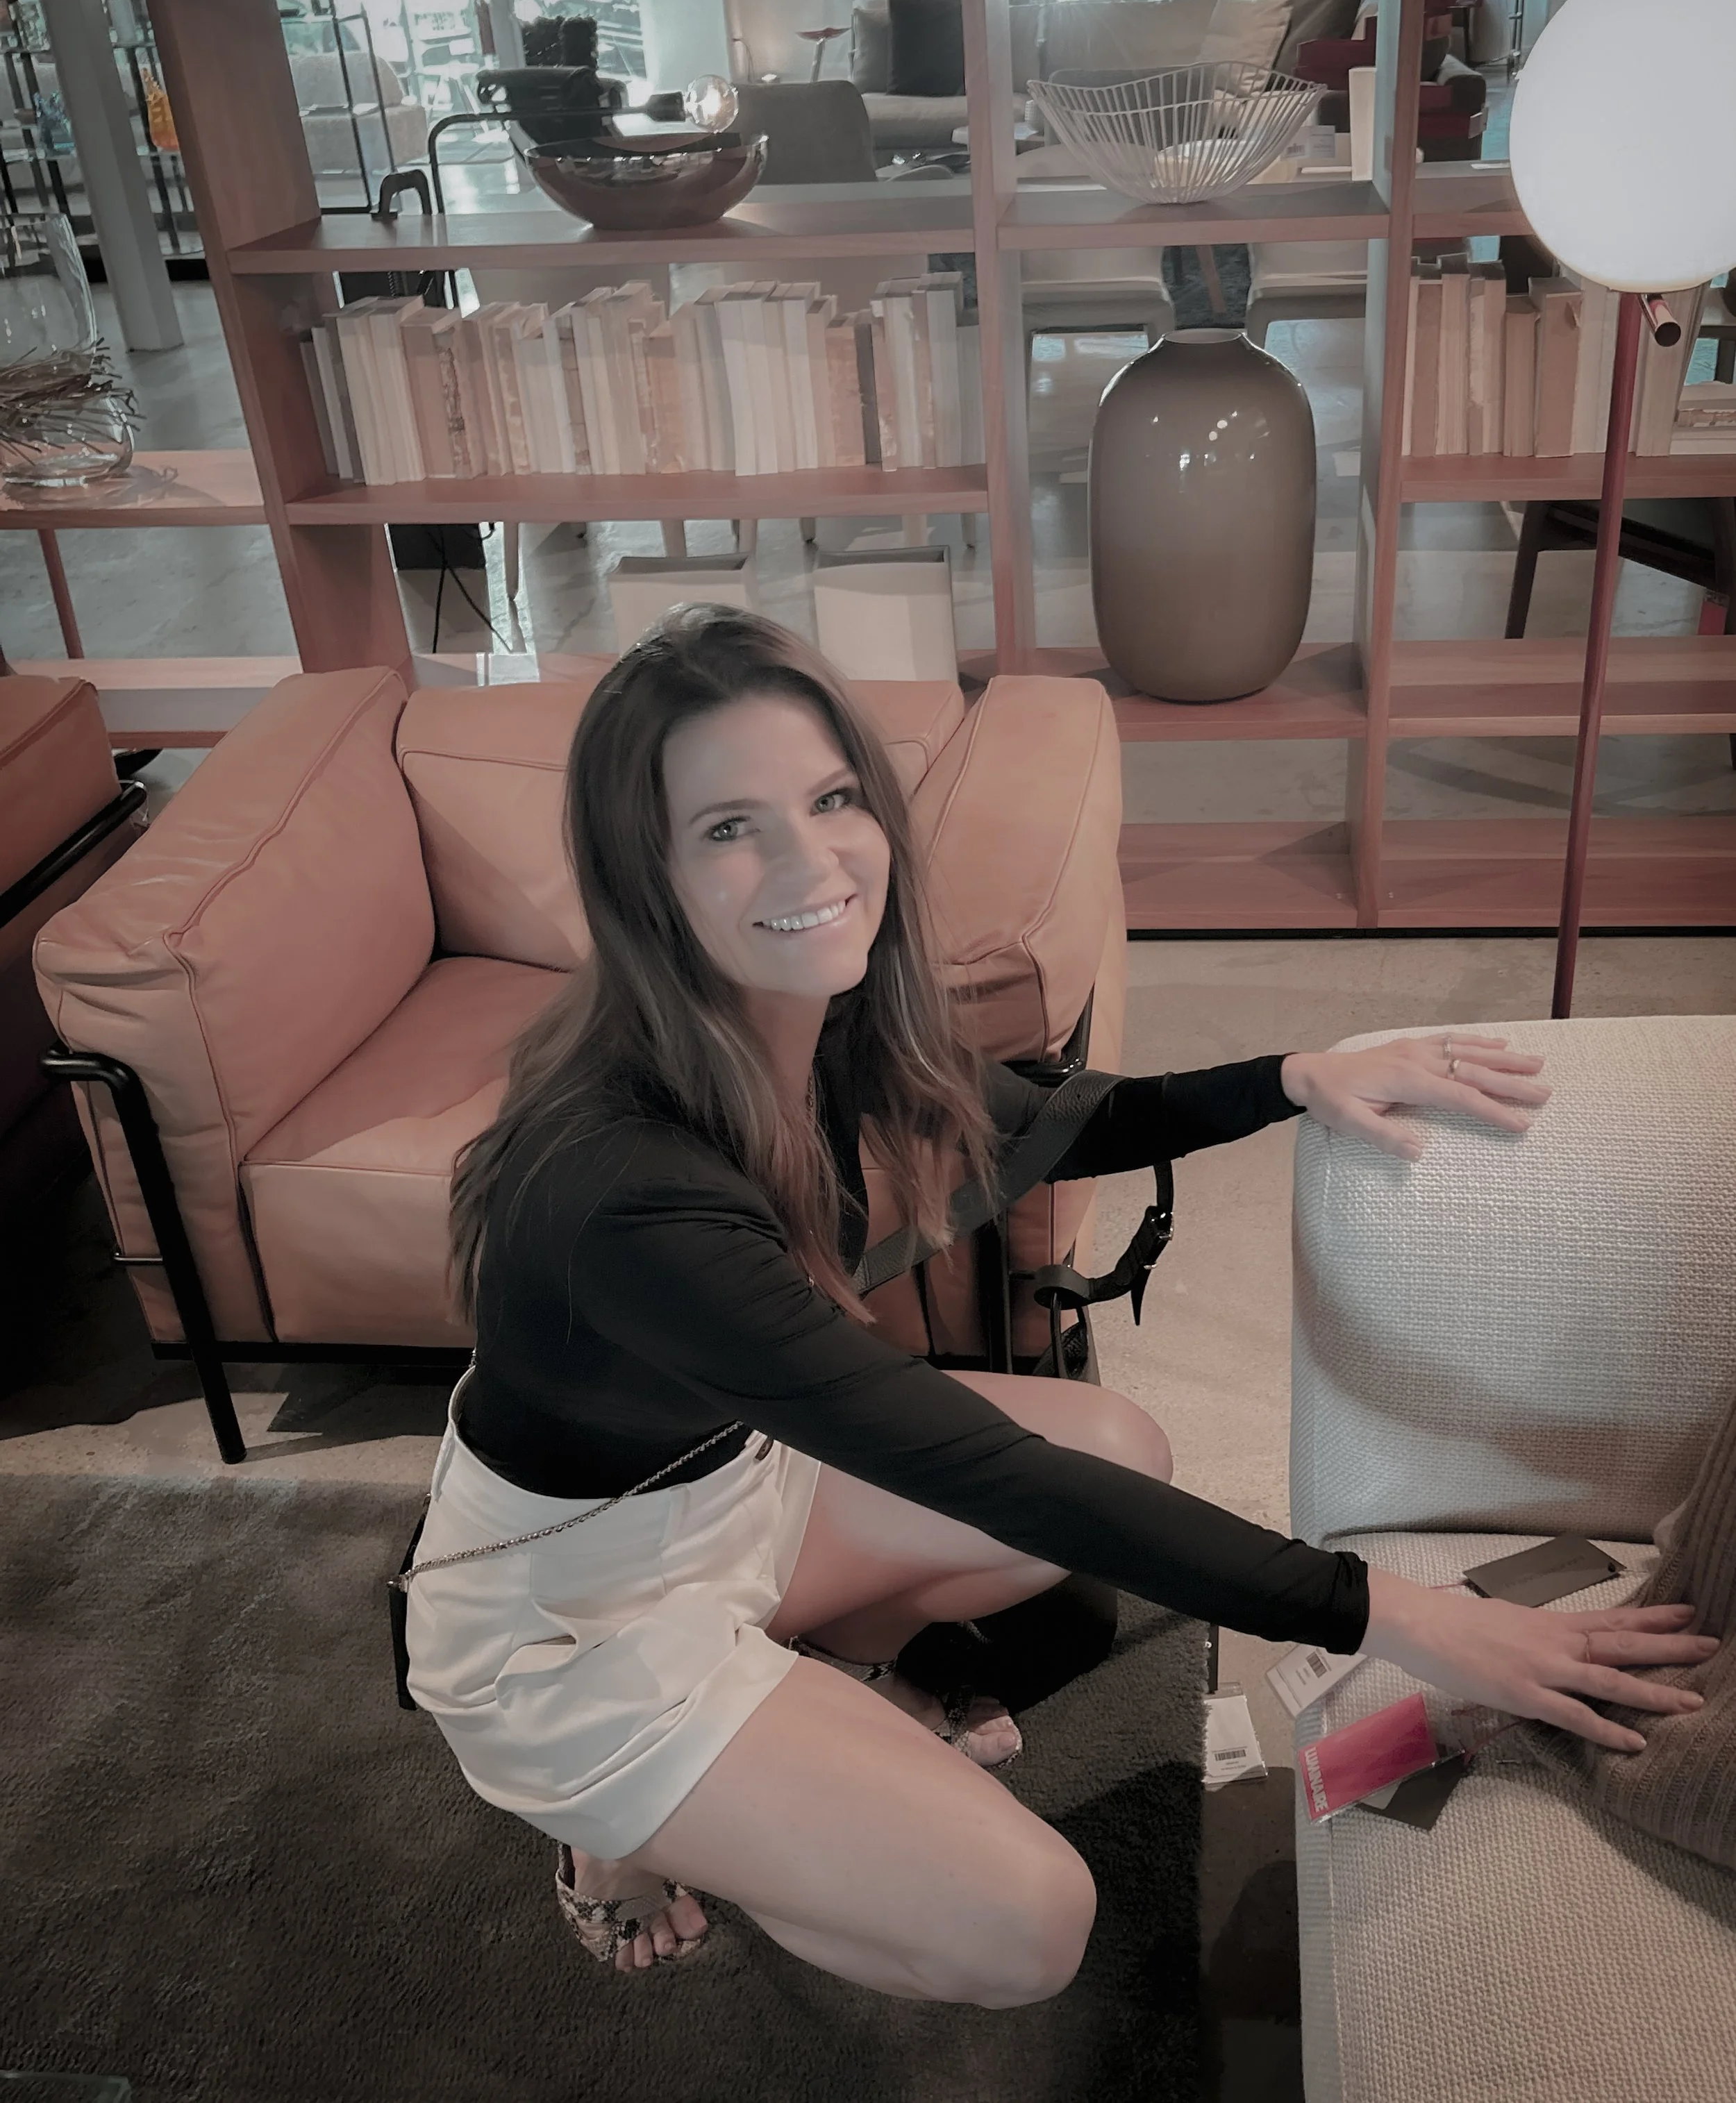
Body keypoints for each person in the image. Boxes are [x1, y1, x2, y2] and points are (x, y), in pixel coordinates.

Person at [405, 608, 1715, 2001]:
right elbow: (977, 1467)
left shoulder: (810, 1020)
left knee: (1120, 1442)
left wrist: (1293, 1075)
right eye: (728, 826)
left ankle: (786, 1701)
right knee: (1027, 1923)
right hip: (570, 1620)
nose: (812, 859)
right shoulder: (622, 1186)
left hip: (731, 1490)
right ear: (642, 875)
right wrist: (1408, 1618)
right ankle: (614, 1826)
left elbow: (1038, 1113)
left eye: (832, 796)